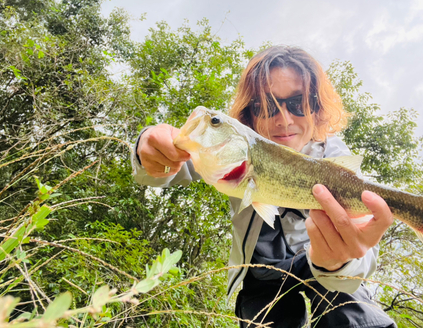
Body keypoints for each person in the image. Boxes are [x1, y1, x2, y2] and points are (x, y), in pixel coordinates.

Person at [132, 46, 397, 327]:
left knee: (355, 313)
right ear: (250, 114)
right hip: (261, 269)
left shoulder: (334, 158)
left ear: (317, 108)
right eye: (267, 106)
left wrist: (339, 264)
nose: (284, 119)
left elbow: (362, 251)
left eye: (298, 103)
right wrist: (147, 147)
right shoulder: (232, 147)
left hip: (318, 256)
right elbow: (158, 173)